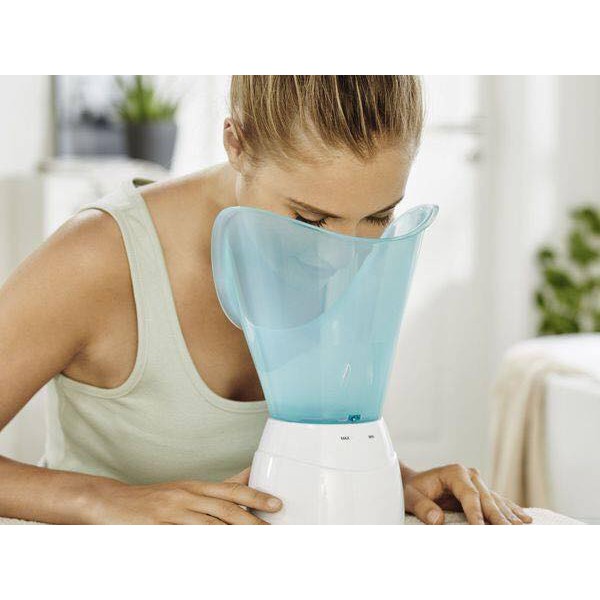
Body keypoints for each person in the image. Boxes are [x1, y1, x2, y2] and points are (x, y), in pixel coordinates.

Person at [0, 75, 531, 524]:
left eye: (379, 216)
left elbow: (302, 446)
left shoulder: (345, 247)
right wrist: (109, 501)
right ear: (237, 144)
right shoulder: (100, 257)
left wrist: (397, 480)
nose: (344, 258)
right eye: (310, 219)